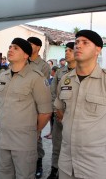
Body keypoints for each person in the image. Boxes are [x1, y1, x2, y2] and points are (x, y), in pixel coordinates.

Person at [54, 30, 106, 178]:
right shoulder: (66, 79)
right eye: (77, 42)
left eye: (85, 43)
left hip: (94, 160)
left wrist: (102, 131)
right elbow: (59, 110)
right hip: (67, 157)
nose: (78, 46)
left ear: (98, 49)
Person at [0, 38, 52, 179]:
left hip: (23, 141)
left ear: (26, 55)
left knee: (24, 175)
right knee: (4, 175)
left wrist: (35, 131)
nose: (10, 50)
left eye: (15, 48)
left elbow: (45, 112)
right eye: (10, 46)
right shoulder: (3, 76)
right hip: (3, 139)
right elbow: (0, 105)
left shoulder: (36, 78)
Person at [47, 42, 76, 179]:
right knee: (57, 145)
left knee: (74, 148)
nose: (67, 52)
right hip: (59, 115)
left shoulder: (82, 71)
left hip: (75, 118)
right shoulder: (60, 71)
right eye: (66, 50)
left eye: (70, 50)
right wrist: (56, 111)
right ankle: (54, 170)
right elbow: (53, 92)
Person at [27, 36, 51, 178]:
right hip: (23, 105)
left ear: (38, 47)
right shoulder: (24, 61)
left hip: (36, 106)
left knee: (36, 137)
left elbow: (43, 88)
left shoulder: (43, 66)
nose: (28, 46)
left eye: (31, 44)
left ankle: (38, 163)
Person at [44, 65, 59, 140]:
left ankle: (53, 134)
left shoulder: (57, 80)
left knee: (53, 119)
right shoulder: (51, 79)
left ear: (54, 71)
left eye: (52, 71)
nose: (51, 72)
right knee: (51, 119)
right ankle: (51, 132)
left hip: (54, 102)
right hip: (50, 101)